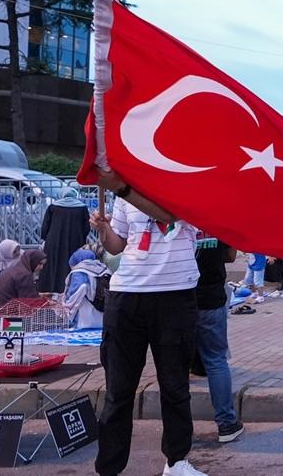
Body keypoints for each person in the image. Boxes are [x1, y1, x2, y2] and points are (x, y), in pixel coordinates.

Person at [89, 168, 207, 476]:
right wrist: (104, 230)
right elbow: (118, 245)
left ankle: (177, 461)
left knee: (175, 386)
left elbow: (168, 216)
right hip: (127, 294)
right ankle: (109, 467)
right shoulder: (125, 189)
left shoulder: (187, 182)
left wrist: (122, 188)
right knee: (118, 390)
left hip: (175, 294)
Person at [193, 241, 244, 444]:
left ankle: (177, 428)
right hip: (211, 296)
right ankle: (226, 424)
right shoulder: (218, 214)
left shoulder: (178, 213)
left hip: (180, 295)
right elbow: (231, 256)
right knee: (216, 360)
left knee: (174, 364)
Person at [0, 247, 46, 318]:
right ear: (32, 261)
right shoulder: (24, 275)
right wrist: (46, 303)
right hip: (2, 321)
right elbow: (29, 301)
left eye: (43, 264)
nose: (41, 267)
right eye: (39, 264)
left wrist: (40, 296)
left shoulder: (14, 269)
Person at [63, 249, 110, 329]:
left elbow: (78, 290)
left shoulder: (80, 271)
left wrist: (66, 303)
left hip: (85, 310)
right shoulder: (103, 268)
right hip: (103, 309)